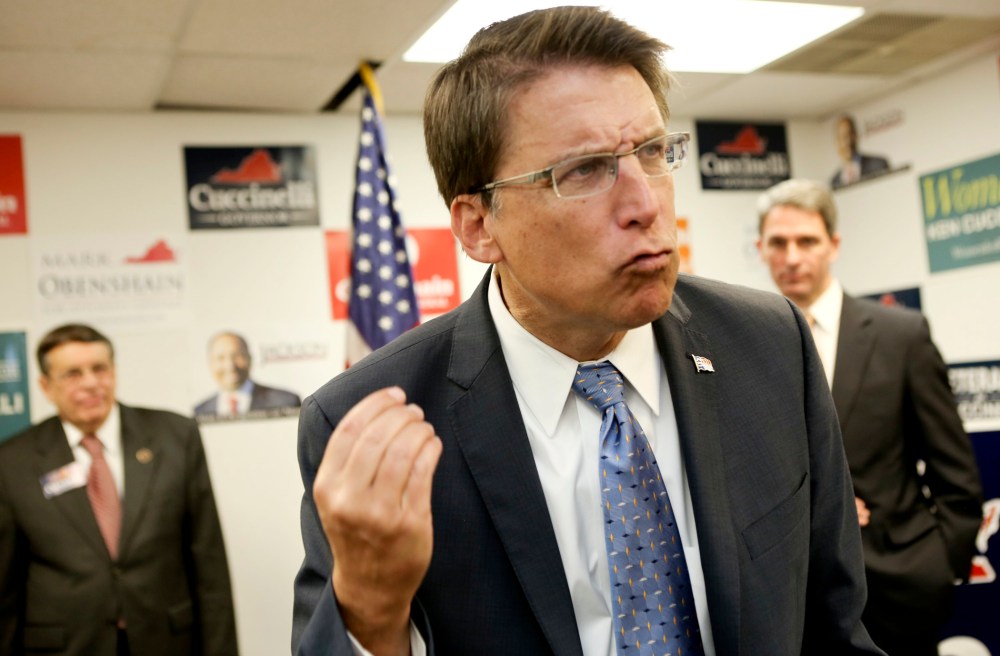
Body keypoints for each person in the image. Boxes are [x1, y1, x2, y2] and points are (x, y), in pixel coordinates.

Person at [293, 7, 884, 656]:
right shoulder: (372, 420)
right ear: (478, 225)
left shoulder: (770, 345)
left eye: (653, 153)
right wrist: (372, 615)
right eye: (583, 171)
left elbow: (835, 629)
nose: (646, 206)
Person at [756, 178, 984, 656]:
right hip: (791, 597)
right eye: (778, 243)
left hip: (899, 588)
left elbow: (956, 475)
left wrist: (939, 567)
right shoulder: (744, 345)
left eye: (807, 241)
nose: (792, 257)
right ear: (760, 248)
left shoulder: (901, 335)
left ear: (833, 245)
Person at [0, 323, 238, 655]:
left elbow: (209, 563)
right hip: (65, 646)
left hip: (167, 641)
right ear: (45, 386)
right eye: (72, 374)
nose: (91, 382)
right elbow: (5, 587)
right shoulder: (13, 462)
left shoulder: (175, 437)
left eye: (99, 368)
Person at [194, 330, 301, 421]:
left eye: (236, 356)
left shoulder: (285, 401)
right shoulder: (200, 411)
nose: (230, 366)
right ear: (210, 363)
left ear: (249, 358)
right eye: (221, 358)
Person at [830, 114, 890, 189]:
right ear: (836, 143)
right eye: (842, 137)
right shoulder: (835, 182)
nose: (847, 142)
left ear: (856, 136)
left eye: (850, 135)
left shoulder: (879, 165)